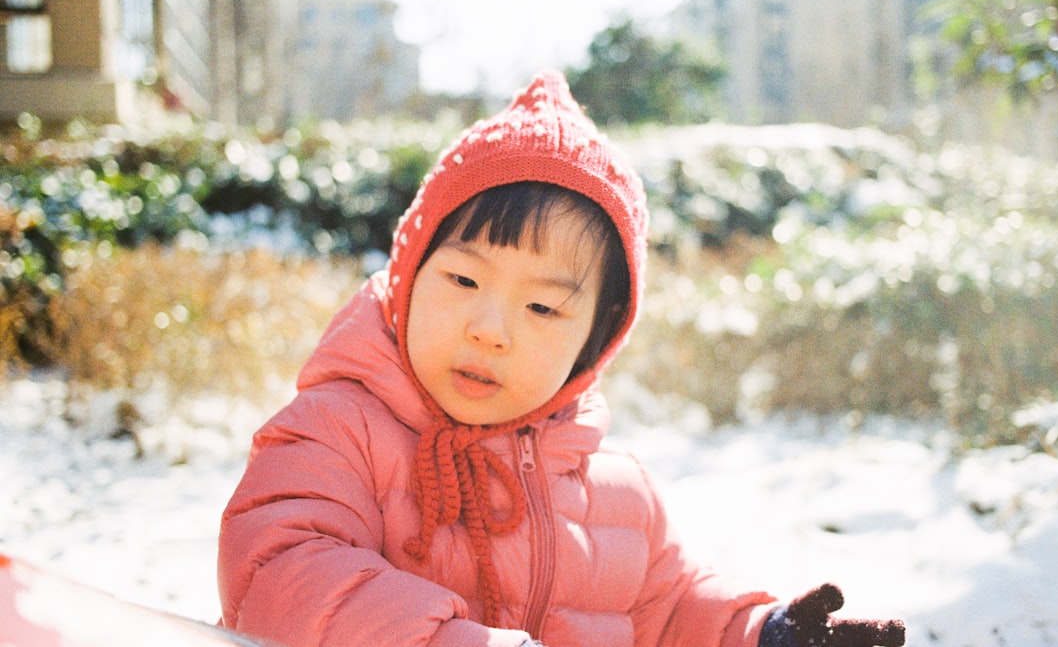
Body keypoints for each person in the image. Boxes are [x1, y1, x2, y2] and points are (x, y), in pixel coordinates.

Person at [217, 70, 906, 647]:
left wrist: (759, 633)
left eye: (543, 308)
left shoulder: (616, 491)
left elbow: (669, 610)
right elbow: (281, 572)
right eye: (464, 280)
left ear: (595, 342)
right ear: (408, 274)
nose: (490, 330)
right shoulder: (337, 431)